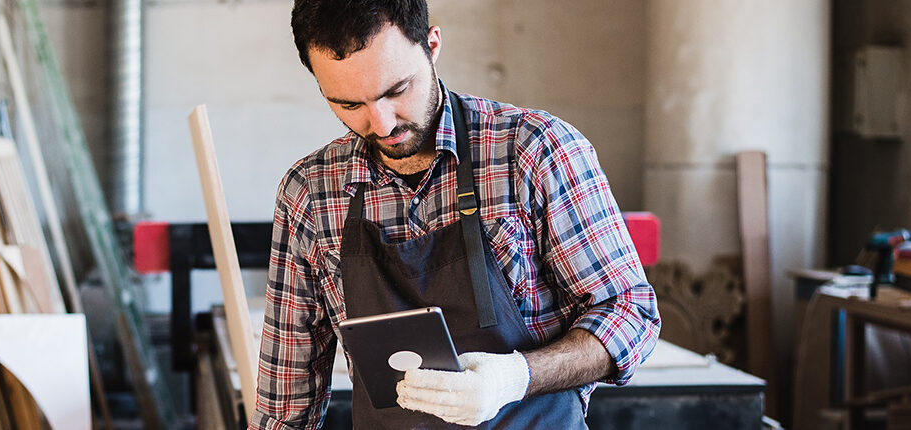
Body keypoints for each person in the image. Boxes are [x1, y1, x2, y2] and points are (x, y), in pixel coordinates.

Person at [252, 0, 662, 428]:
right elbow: (285, 407)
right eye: (349, 104)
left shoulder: (533, 151)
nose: (382, 123)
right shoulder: (311, 193)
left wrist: (513, 378)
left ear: (432, 44)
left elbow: (631, 312)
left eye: (397, 91)